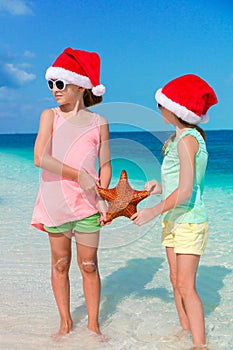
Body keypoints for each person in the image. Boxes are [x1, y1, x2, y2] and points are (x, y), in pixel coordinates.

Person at [131, 74, 218, 349]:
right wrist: (158, 188)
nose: (158, 108)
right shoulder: (176, 138)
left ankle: (199, 344)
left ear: (175, 108)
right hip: (174, 219)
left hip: (189, 220)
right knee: (174, 279)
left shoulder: (187, 140)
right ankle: (184, 329)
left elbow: (187, 190)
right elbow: (177, 183)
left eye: (161, 103)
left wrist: (152, 211)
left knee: (186, 285)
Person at [31, 47, 112, 338]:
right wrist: (79, 174)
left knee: (89, 265)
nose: (55, 90)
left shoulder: (99, 122)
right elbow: (40, 157)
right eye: (51, 84)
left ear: (80, 85)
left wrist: (103, 196)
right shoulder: (49, 116)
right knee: (61, 263)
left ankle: (93, 325)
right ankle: (65, 323)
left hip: (88, 204)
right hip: (55, 202)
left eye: (60, 84)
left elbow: (105, 166)